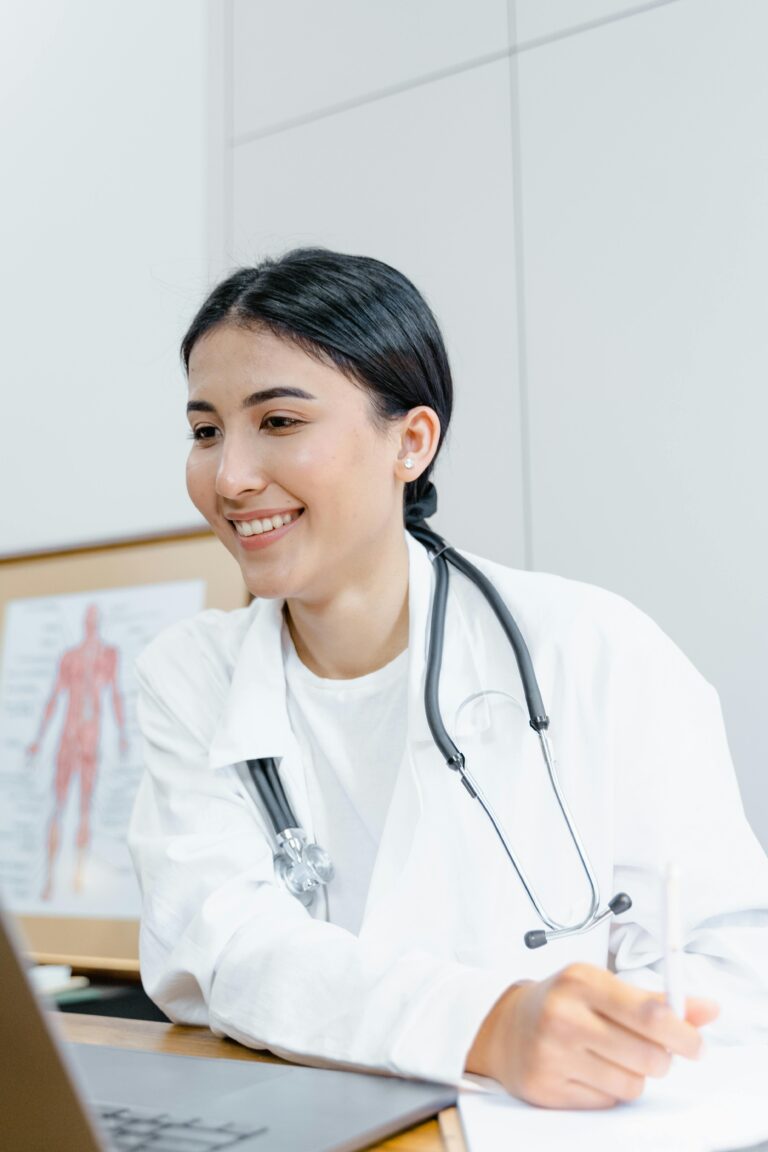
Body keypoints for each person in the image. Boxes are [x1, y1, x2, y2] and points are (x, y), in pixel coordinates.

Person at [128, 248, 768, 1109]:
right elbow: (219, 947)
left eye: (278, 422)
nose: (231, 477)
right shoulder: (191, 676)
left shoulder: (592, 649)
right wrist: (490, 1025)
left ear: (412, 441)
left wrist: (611, 1042)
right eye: (206, 431)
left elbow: (729, 964)